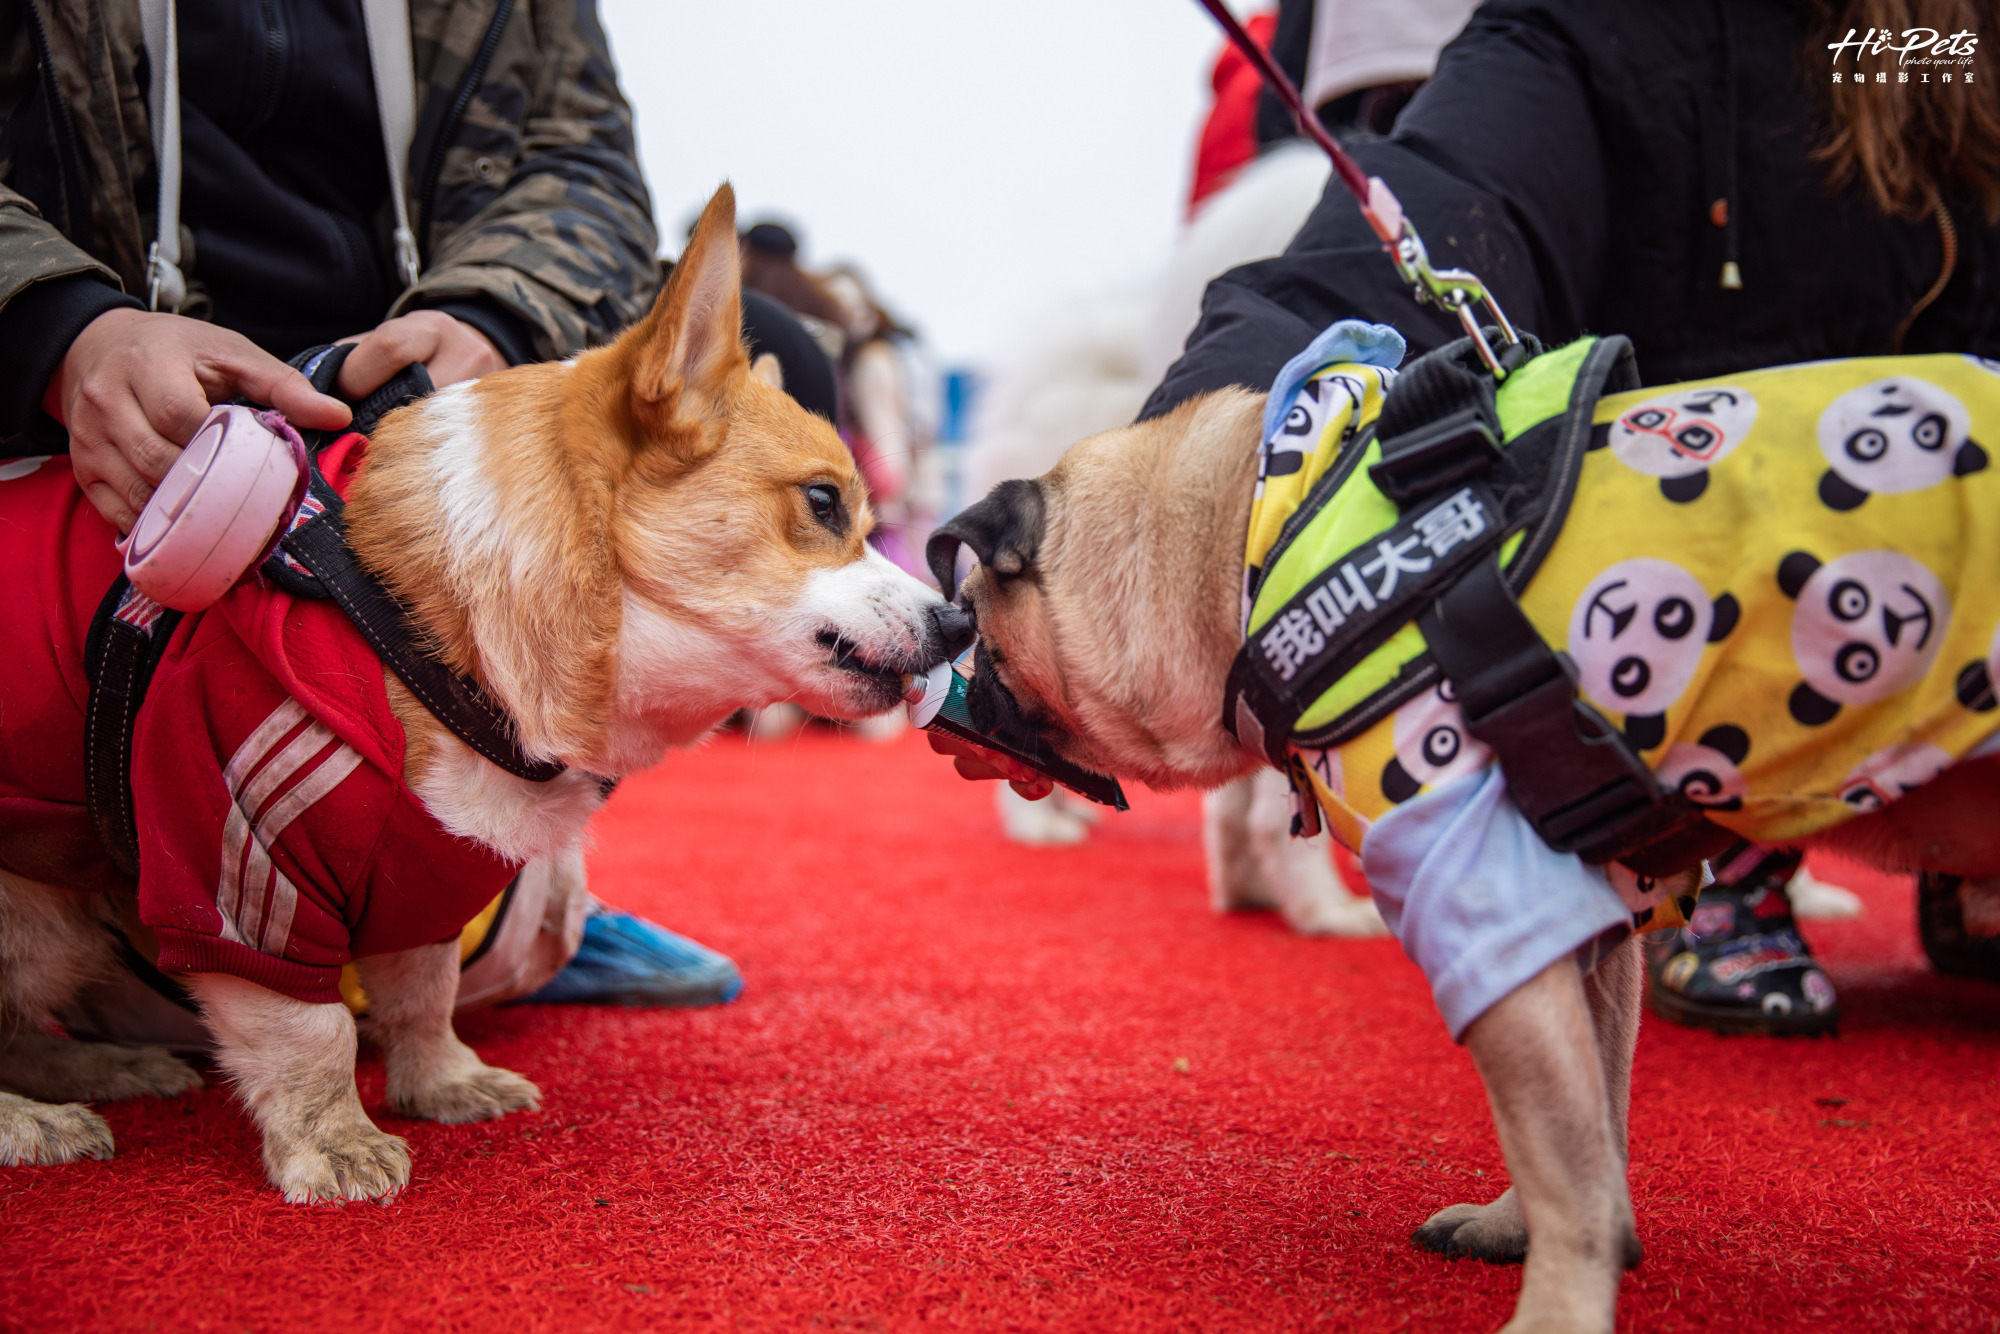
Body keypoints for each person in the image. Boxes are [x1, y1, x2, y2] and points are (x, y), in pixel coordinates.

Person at [949, 0, 2000, 1035]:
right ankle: (1736, 839)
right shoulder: (1601, 33)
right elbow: (1395, 244)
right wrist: (1148, 503)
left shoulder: (1929, 48)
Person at [0, 0, 775, 1020]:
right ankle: (186, 914)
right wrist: (59, 328)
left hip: (394, 401)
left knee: (773, 385)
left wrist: (492, 311)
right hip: (89, 412)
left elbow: (581, 160)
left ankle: (481, 895)